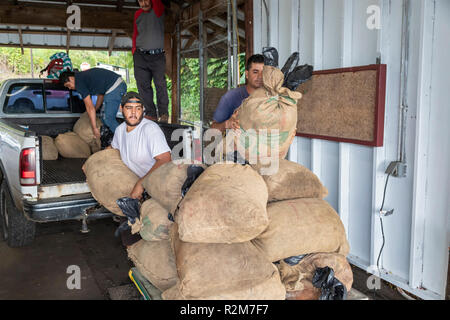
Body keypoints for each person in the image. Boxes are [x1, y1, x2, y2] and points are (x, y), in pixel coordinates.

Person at [110, 91, 171, 200]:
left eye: (138, 108)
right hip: (142, 181)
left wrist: (141, 184)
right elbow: (112, 149)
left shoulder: (150, 129)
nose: (133, 112)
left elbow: (165, 159)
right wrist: (92, 161)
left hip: (162, 183)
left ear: (143, 110)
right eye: (129, 108)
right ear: (121, 108)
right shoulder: (120, 130)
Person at [59, 68, 127, 138]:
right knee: (104, 119)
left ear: (71, 78)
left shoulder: (79, 82)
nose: (69, 88)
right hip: (116, 86)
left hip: (115, 87)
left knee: (108, 119)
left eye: (68, 85)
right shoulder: (83, 77)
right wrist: (96, 108)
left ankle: (126, 140)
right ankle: (112, 139)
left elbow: (89, 107)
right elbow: (101, 95)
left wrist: (94, 129)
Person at [132, 0, 169, 123]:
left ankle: (163, 113)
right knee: (142, 85)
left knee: (160, 84)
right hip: (140, 55)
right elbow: (135, 33)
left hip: (157, 56)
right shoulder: (137, 14)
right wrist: (133, 50)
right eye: (140, 1)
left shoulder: (158, 9)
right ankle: (151, 113)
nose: (144, 4)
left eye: (146, 0)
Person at [210, 54, 265, 133]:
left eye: (263, 72)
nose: (260, 76)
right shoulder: (231, 97)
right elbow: (212, 129)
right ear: (247, 74)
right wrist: (227, 124)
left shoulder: (272, 98)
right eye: (255, 72)